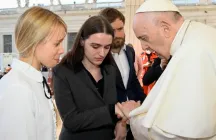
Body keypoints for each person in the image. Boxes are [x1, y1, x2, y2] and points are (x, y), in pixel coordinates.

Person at [117, 0, 216, 139]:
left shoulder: (192, 52)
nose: (143, 47)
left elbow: (172, 135)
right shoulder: (203, 37)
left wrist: (134, 116)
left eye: (144, 38)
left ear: (165, 28)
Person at [53, 16, 125, 140]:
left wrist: (121, 123)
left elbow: (120, 102)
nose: (102, 53)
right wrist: (111, 111)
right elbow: (71, 121)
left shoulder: (111, 69)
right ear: (82, 41)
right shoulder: (62, 71)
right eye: (95, 46)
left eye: (107, 47)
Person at [0, 6, 66, 140]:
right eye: (57, 43)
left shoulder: (32, 80)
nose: (62, 50)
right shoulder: (17, 88)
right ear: (35, 42)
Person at [99, 8, 146, 140]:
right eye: (112, 31)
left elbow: (133, 82)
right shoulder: (99, 58)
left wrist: (146, 105)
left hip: (133, 120)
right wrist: (120, 121)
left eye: (120, 29)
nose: (118, 35)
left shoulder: (129, 51)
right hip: (110, 125)